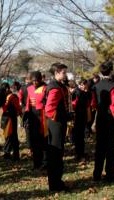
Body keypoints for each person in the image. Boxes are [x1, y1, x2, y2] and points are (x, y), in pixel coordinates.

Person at [92, 60, 114, 182]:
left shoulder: (95, 86)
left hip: (100, 118)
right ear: (111, 70)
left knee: (99, 147)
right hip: (110, 119)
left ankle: (96, 175)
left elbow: (93, 104)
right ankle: (110, 175)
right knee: (110, 147)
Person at [45, 62, 69, 191]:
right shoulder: (54, 87)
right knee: (55, 154)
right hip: (56, 124)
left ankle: (56, 181)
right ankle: (55, 184)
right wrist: (59, 118)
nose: (65, 74)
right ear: (56, 73)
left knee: (58, 153)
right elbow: (49, 109)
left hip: (58, 122)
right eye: (63, 72)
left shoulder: (59, 85)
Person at [25, 71, 47, 170]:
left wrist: (40, 104)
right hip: (33, 117)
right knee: (34, 141)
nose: (35, 83)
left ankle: (45, 162)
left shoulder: (46, 88)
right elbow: (27, 103)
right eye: (33, 81)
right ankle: (36, 162)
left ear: (41, 79)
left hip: (43, 117)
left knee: (44, 141)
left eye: (37, 81)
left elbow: (47, 102)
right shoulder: (29, 88)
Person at [0, 82, 22, 161]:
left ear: (7, 89)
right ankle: (8, 154)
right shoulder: (4, 96)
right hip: (5, 118)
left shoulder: (12, 97)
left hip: (11, 119)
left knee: (12, 136)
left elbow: (18, 108)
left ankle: (14, 155)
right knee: (7, 136)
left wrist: (19, 114)